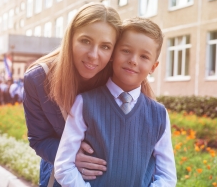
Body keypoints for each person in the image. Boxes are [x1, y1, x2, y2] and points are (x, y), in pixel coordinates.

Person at [23, 3, 154, 187]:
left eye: (105, 46)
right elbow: (39, 139)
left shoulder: (119, 74)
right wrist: (71, 155)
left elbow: (149, 132)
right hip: (62, 179)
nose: (94, 55)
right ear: (71, 38)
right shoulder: (38, 79)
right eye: (85, 41)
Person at [54, 18, 177, 187]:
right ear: (112, 55)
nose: (133, 60)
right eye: (126, 51)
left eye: (144, 56)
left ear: (153, 67)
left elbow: (167, 176)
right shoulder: (84, 103)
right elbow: (64, 166)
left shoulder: (159, 114)